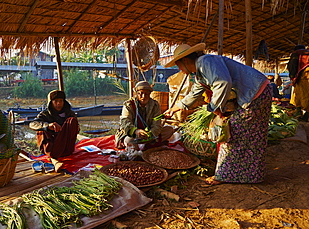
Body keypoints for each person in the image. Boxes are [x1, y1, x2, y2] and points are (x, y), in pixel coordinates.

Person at [164, 43, 272, 185]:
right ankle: (252, 175)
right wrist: (176, 108)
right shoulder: (200, 74)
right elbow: (195, 93)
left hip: (255, 94)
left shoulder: (205, 62)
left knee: (232, 133)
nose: (180, 70)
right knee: (252, 136)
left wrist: (214, 107)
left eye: (179, 65)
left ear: (185, 61)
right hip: (260, 91)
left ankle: (225, 175)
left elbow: (223, 82)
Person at [115, 81, 174, 151]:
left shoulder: (155, 105)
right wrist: (136, 131)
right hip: (134, 135)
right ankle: (147, 145)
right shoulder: (129, 105)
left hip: (148, 134)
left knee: (169, 130)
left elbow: (156, 124)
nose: (143, 97)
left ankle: (146, 144)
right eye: (141, 93)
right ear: (136, 94)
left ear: (149, 94)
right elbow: (125, 121)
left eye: (146, 94)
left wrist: (150, 134)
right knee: (129, 140)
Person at [29, 90, 79, 165]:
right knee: (40, 128)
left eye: (61, 101)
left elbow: (76, 129)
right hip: (52, 145)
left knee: (72, 121)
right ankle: (51, 153)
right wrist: (48, 126)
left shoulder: (69, 113)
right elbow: (32, 124)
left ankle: (64, 150)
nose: (58, 103)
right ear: (51, 102)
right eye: (55, 101)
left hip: (66, 146)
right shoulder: (45, 114)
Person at [287, 44, 309, 122]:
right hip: (305, 77)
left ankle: (302, 114)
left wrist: (292, 77)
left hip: (303, 77)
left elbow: (292, 66)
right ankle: (304, 115)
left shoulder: (296, 54)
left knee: (301, 95)